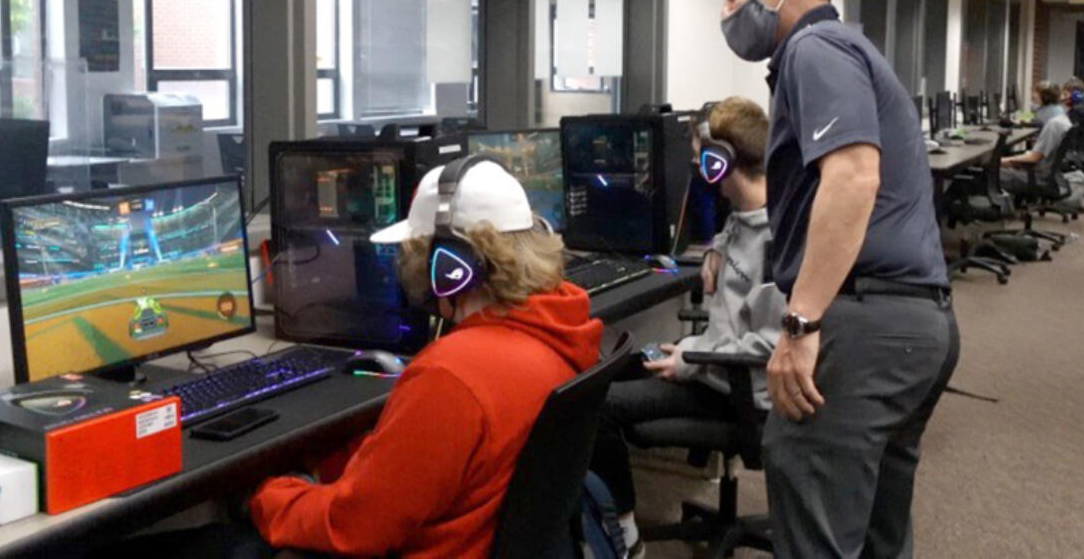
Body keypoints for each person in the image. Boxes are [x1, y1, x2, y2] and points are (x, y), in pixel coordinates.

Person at [714, 0, 958, 558]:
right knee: (878, 537)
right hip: (916, 326)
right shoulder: (851, 48)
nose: (727, 10)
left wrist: (799, 322)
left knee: (816, 534)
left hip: (863, 326)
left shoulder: (814, 49)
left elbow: (852, 177)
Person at [249, 158, 604, 557]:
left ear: (452, 266)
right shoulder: (563, 331)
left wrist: (268, 495)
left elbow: (355, 528)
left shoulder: (452, 375)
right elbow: (424, 462)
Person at [590, 97, 784, 559]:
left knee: (594, 407)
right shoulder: (743, 218)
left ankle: (625, 535)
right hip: (711, 363)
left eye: (702, 159)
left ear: (723, 162)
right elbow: (737, 242)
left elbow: (775, 343)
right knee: (604, 372)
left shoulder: (778, 240)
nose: (697, 169)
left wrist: (691, 358)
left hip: (737, 392)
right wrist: (717, 246)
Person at [1000, 83, 1073, 198]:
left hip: (1039, 173)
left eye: (1035, 92)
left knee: (989, 173)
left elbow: (1033, 158)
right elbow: (1032, 115)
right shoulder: (1058, 113)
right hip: (1048, 170)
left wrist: (999, 161)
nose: (1032, 95)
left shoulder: (1052, 120)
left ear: (1044, 96)